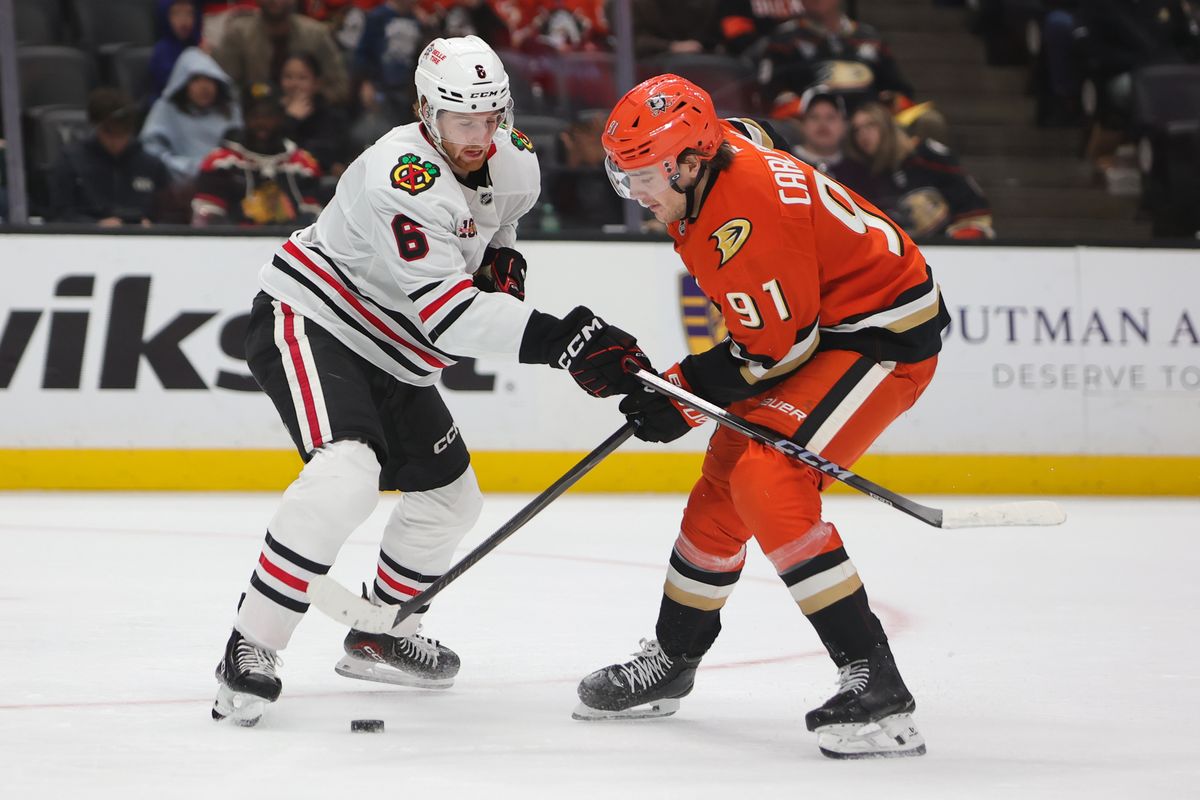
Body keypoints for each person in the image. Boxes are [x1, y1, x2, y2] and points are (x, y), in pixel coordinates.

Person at [211, 35, 650, 727]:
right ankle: (251, 645)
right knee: (346, 474)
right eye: (462, 120)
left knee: (450, 502)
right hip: (315, 320)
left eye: (492, 117)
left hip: (398, 351)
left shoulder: (515, 161)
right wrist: (562, 340)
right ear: (425, 111)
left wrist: (506, 268)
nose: (480, 137)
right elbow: (449, 315)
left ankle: (382, 629)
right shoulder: (402, 175)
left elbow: (497, 235)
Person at [572, 74, 950, 760]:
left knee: (768, 480)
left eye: (643, 177)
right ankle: (674, 658)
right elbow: (758, 136)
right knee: (720, 485)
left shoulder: (740, 216)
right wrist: (673, 390)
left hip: (881, 338)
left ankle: (880, 689)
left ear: (690, 164)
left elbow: (775, 351)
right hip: (820, 323)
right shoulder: (716, 152)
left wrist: (675, 394)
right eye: (622, 177)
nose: (635, 195)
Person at [844, 102, 994, 240]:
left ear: (887, 126)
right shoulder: (870, 174)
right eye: (857, 130)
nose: (863, 134)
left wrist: (953, 240)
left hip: (953, 250)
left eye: (870, 125)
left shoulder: (926, 155)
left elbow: (974, 206)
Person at [191, 83, 324, 226]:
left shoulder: (303, 165)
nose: (262, 123)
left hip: (291, 243)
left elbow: (314, 221)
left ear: (281, 117)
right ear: (244, 118)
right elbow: (207, 219)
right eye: (254, 116)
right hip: (233, 245)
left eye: (269, 116)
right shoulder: (220, 162)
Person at [48, 89, 173, 226]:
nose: (116, 141)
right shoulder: (71, 161)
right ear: (96, 127)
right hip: (87, 240)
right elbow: (60, 214)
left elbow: (170, 214)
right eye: (109, 132)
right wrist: (95, 225)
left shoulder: (152, 166)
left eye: (123, 133)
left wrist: (153, 226)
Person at [214, 0, 351, 106]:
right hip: (253, 115)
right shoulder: (238, 34)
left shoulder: (316, 34)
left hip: (310, 116)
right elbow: (225, 85)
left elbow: (339, 86)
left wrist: (310, 98)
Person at [141, 47, 243, 183]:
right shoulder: (166, 109)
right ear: (183, 83)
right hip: (181, 182)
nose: (204, 87)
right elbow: (150, 152)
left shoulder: (230, 109)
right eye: (196, 80)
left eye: (209, 79)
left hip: (227, 180)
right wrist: (186, 167)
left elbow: (243, 149)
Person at [280, 53, 353, 176]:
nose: (294, 84)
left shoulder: (333, 116)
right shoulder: (272, 114)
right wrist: (290, 119)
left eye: (302, 78)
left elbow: (332, 157)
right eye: (288, 77)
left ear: (317, 83)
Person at [149, 0, 205, 104]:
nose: (184, 20)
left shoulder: (199, 46)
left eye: (189, 13)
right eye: (176, 14)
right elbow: (172, 83)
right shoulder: (162, 50)